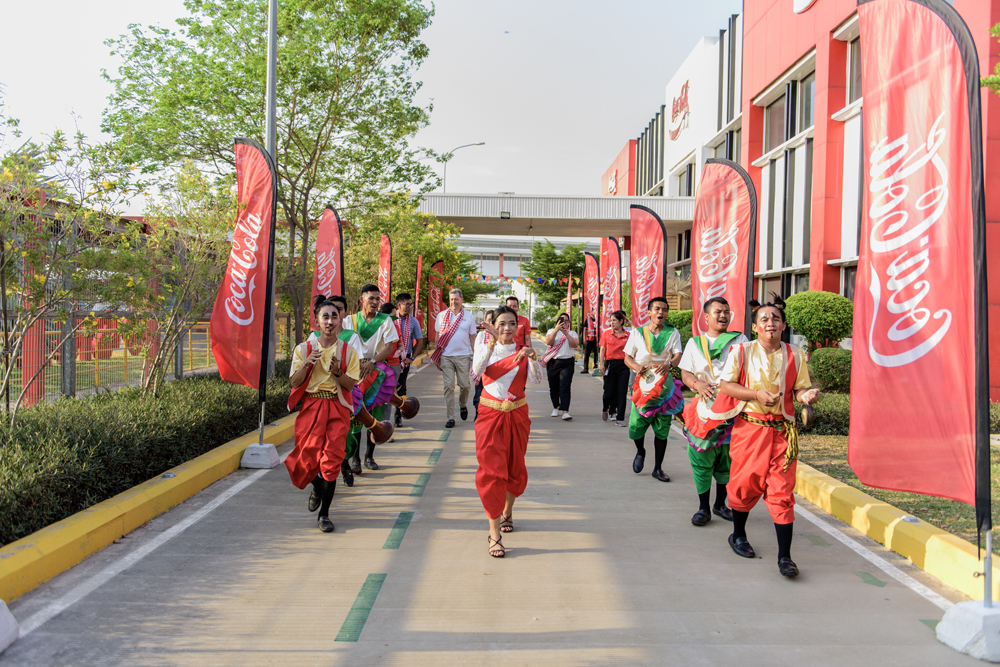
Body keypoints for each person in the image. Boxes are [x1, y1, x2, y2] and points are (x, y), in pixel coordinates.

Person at [717, 296, 820, 577]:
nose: (770, 322)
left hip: (783, 433)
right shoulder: (741, 351)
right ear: (755, 327)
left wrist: (805, 395)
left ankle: (785, 557)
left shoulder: (795, 353)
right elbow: (726, 385)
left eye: (776, 318)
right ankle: (738, 535)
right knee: (744, 485)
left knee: (782, 491)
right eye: (764, 319)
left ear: (784, 325)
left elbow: (799, 388)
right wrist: (755, 394)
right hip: (749, 429)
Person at [285, 295, 360, 533]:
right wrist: (307, 363)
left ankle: (324, 514)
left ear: (340, 321)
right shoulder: (303, 349)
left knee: (331, 461)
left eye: (334, 316)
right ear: (317, 321)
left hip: (337, 407)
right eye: (325, 317)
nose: (329, 321)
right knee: (302, 461)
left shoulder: (348, 351)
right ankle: (317, 486)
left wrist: (338, 372)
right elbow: (295, 383)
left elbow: (350, 385)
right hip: (311, 407)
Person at [472, 305, 542, 557]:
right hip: (490, 415)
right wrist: (491, 343)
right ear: (493, 325)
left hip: (518, 415)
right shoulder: (484, 347)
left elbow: (536, 380)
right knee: (491, 472)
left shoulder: (523, 350)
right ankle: (494, 534)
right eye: (501, 323)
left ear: (518, 326)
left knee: (515, 468)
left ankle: (507, 511)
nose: (507, 328)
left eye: (512, 323)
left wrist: (532, 357)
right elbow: (477, 371)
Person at [678, 297, 748, 526]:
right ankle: (703, 508)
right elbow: (686, 373)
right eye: (718, 311)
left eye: (727, 311)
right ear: (706, 317)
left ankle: (720, 504)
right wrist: (697, 384)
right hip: (704, 409)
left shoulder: (740, 340)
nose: (723, 315)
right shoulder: (695, 343)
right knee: (701, 458)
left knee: (728, 459)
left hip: (733, 408)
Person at [623, 297, 683, 482]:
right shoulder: (638, 333)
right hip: (642, 385)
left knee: (662, 429)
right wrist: (636, 367)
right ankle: (640, 450)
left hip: (664, 386)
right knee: (635, 425)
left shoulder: (673, 332)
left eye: (664, 309)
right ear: (649, 312)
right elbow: (627, 357)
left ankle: (658, 468)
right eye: (657, 309)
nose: (661, 312)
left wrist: (669, 364)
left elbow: (678, 354)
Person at [343, 284, 399, 472]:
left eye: (377, 299)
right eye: (371, 298)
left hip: (376, 370)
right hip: (354, 371)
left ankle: (369, 456)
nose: (375, 302)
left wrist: (372, 361)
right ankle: (355, 459)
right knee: (355, 414)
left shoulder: (385, 320)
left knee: (374, 414)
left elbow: (389, 347)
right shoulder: (349, 321)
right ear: (362, 299)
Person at [432, 288, 478, 428]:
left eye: (456, 299)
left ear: (461, 300)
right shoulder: (441, 316)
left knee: (465, 385)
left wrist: (476, 356)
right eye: (451, 299)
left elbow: (473, 338)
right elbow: (437, 337)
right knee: (448, 386)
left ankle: (462, 405)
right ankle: (451, 417)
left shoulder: (469, 317)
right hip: (446, 356)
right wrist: (438, 354)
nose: (454, 302)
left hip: (463, 356)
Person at [392, 292, 424, 427]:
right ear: (399, 305)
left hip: (404, 358)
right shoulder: (390, 319)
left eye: (411, 304)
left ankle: (398, 416)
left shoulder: (414, 321)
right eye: (407, 304)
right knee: (387, 387)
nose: (410, 307)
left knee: (401, 386)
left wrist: (412, 358)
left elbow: (420, 342)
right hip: (389, 358)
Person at [541, 312, 579, 421]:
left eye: (566, 321)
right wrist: (556, 330)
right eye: (562, 321)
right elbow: (548, 342)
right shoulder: (551, 331)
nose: (564, 323)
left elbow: (575, 344)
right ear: (558, 322)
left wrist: (566, 334)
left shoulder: (572, 333)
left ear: (569, 323)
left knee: (565, 386)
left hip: (567, 362)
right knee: (554, 387)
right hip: (553, 362)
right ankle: (556, 407)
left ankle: (565, 411)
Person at [599, 310, 630, 427]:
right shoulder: (607, 333)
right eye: (611, 320)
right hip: (610, 364)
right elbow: (602, 349)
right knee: (608, 391)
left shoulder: (628, 335)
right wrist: (601, 364)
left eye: (614, 320)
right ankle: (605, 408)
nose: (612, 323)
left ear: (621, 321)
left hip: (624, 365)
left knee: (622, 392)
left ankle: (620, 417)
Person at [471, 309, 495, 420]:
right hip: (482, 370)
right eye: (489, 320)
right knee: (479, 394)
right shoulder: (481, 335)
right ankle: (479, 413)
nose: (490, 323)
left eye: (493, 320)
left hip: (494, 371)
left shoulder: (500, 336)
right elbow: (477, 351)